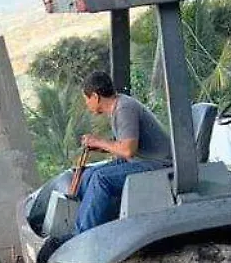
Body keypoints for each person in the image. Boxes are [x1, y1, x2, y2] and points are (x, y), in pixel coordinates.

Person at [73, 71, 173, 233]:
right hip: (141, 160)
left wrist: (98, 141)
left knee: (101, 179)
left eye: (86, 99)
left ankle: (81, 235)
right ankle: (90, 223)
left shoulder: (124, 108)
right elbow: (123, 148)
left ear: (96, 96)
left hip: (160, 163)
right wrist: (99, 147)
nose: (86, 104)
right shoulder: (117, 107)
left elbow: (127, 150)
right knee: (89, 174)